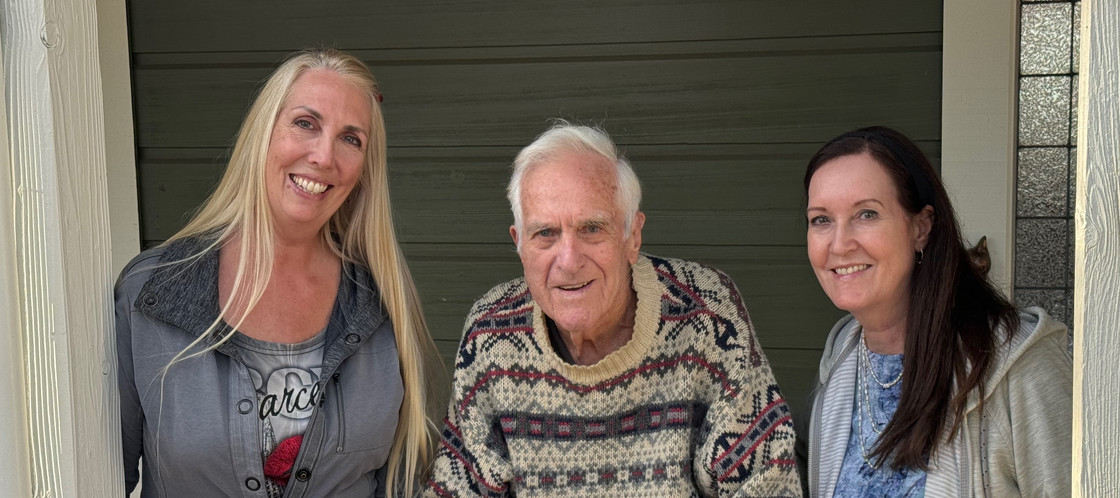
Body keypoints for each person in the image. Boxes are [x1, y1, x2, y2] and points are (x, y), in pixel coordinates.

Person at [115, 48, 440, 497]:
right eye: (305, 123)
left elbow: (404, 478)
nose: (323, 156)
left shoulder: (383, 302)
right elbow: (100, 474)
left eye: (351, 139)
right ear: (263, 132)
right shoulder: (151, 293)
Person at [424, 122, 802, 497]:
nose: (569, 261)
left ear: (632, 236)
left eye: (591, 229)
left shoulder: (707, 314)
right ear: (519, 243)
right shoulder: (490, 334)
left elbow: (769, 486)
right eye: (545, 233)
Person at [801, 126, 1072, 497]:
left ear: (921, 228)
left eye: (866, 214)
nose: (839, 244)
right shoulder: (841, 356)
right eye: (821, 219)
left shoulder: (1018, 365)